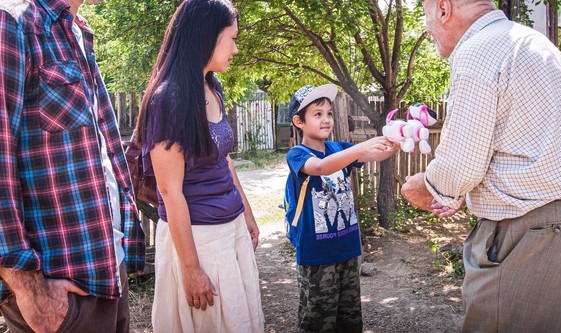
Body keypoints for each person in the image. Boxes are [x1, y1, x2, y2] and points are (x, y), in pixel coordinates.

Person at [400, 1, 561, 332]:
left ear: (444, 9)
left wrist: (427, 187)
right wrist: (466, 187)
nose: (427, 27)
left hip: (543, 225)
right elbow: (525, 143)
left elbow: (460, 165)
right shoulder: (528, 40)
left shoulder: (477, 50)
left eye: (425, 13)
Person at [0, 0, 146, 332]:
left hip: (107, 267)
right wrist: (26, 284)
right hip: (56, 285)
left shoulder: (77, 30)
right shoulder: (12, 22)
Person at [134, 0, 263, 332]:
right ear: (206, 36)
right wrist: (191, 270)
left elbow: (223, 158)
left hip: (230, 228)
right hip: (198, 241)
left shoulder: (211, 86)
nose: (236, 48)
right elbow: (169, 191)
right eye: (231, 38)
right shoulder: (170, 100)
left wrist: (246, 213)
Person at [284, 84, 394, 332]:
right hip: (317, 255)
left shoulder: (339, 149)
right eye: (318, 114)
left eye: (329, 113)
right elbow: (321, 167)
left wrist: (393, 142)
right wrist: (360, 148)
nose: (326, 119)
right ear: (299, 121)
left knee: (350, 319)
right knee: (317, 321)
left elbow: (376, 155)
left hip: (348, 250)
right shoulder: (297, 154)